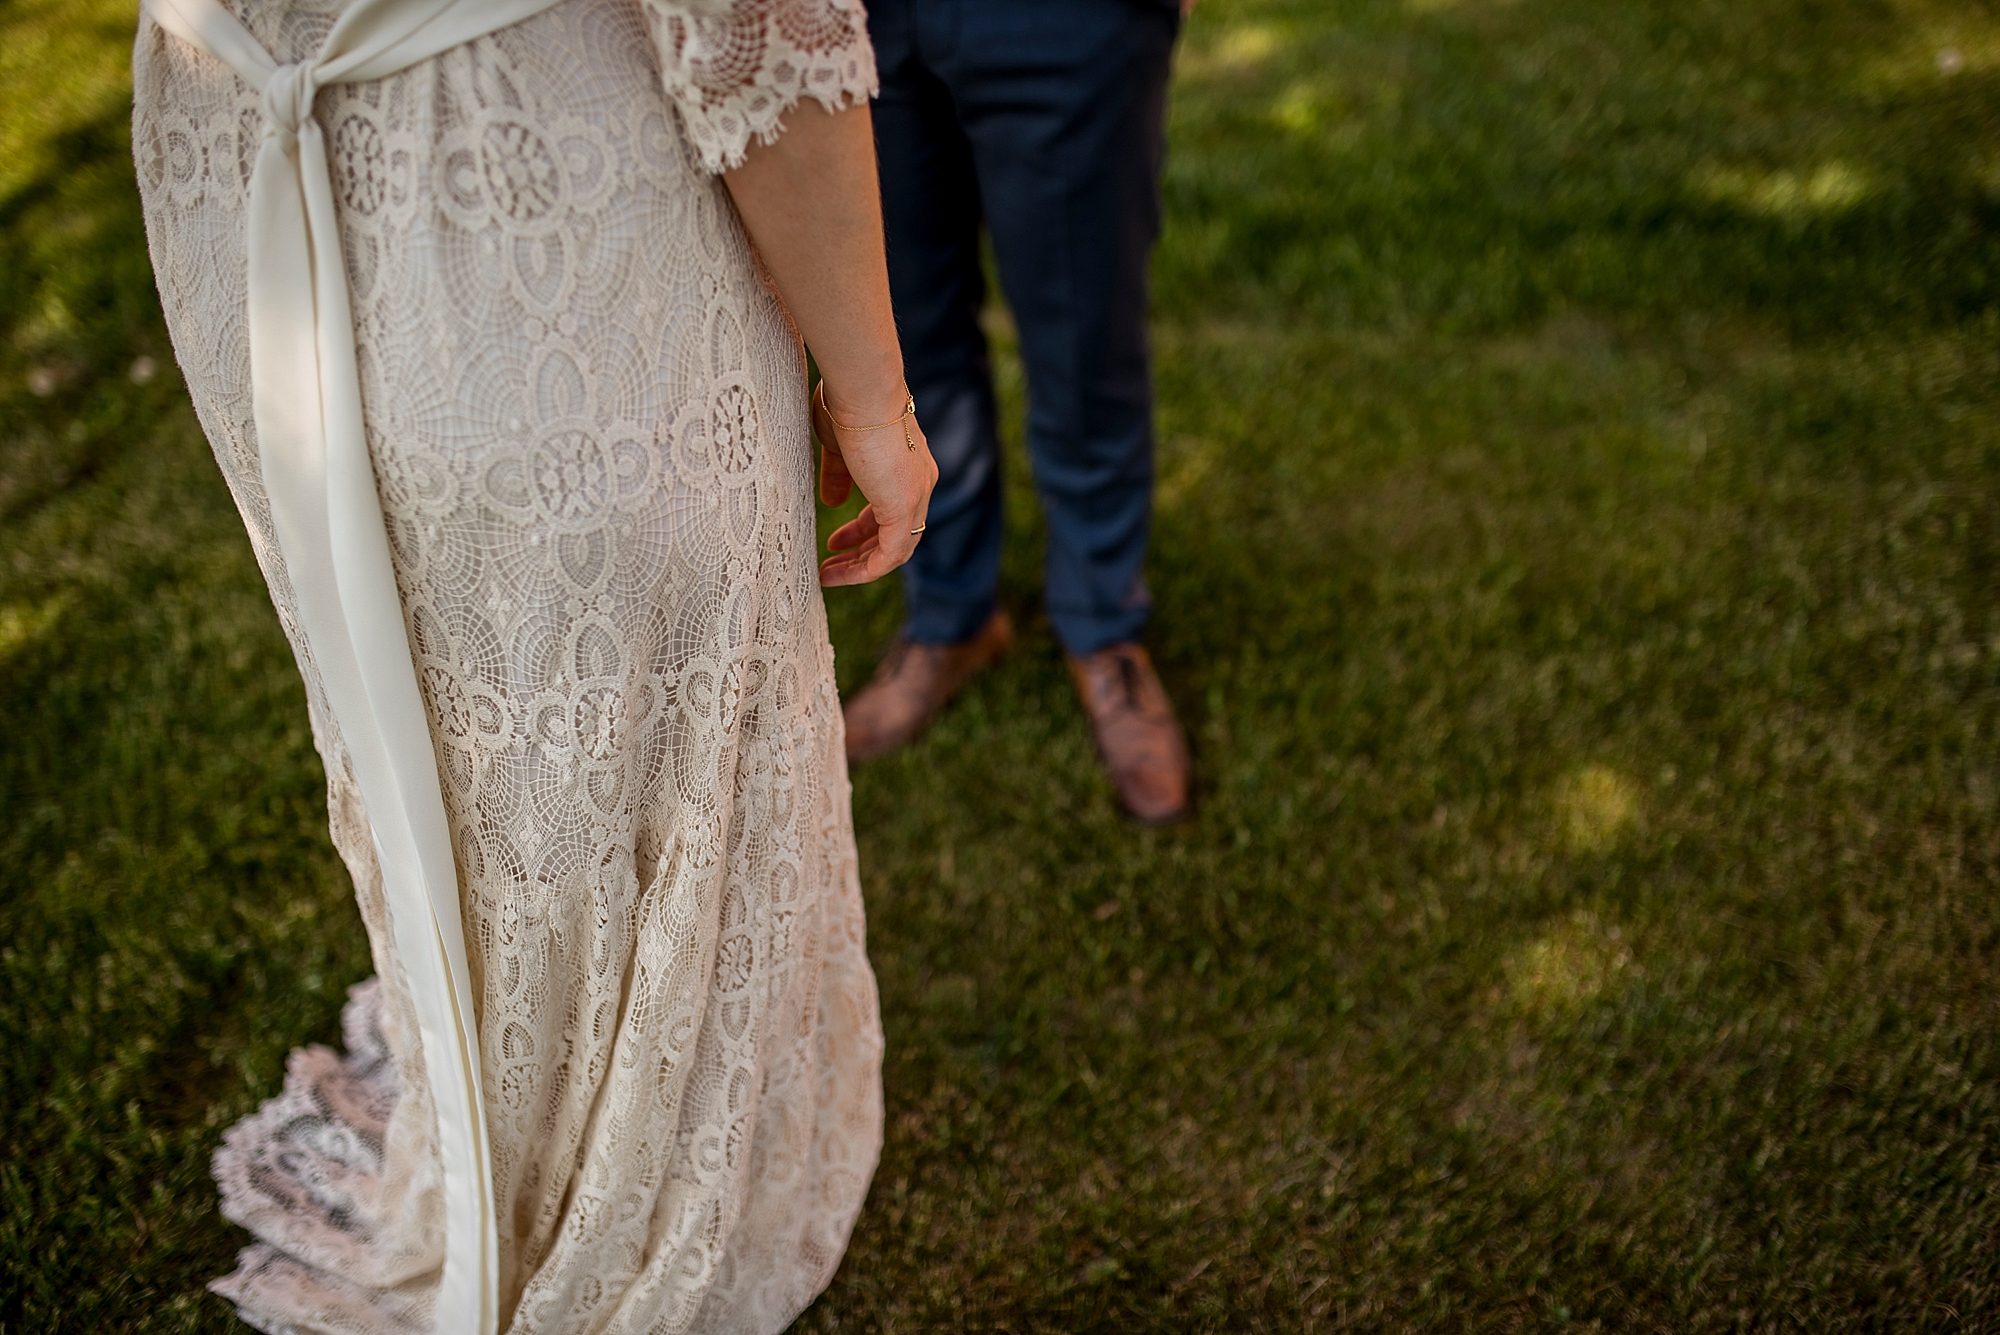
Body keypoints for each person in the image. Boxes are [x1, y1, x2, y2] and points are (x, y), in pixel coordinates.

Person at [131, 0, 933, 1330]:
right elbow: (753, 35)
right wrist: (872, 393)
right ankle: (612, 1170)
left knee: (463, 725)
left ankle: (510, 1131)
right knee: (644, 728)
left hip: (254, 212)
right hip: (539, 216)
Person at [840, 0, 1193, 825]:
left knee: (1086, 339)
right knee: (904, 336)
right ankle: (951, 615)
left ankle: (1104, 627)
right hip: (858, 19)